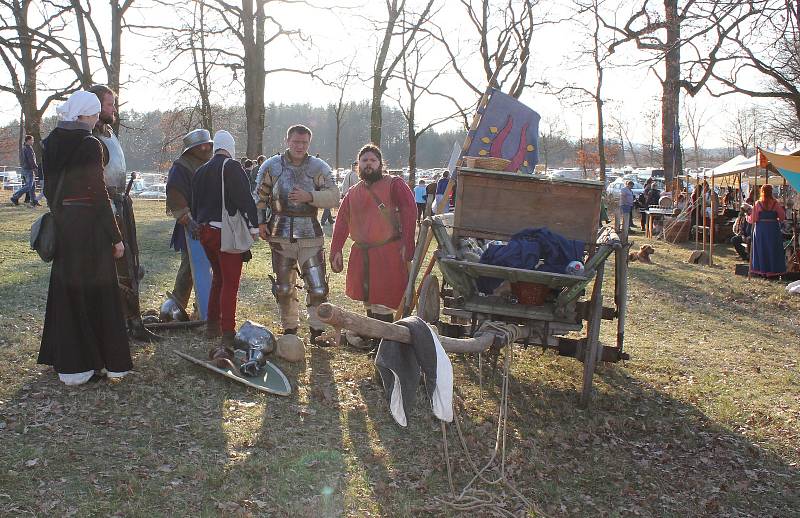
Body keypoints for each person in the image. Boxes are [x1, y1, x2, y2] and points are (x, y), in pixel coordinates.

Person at [37, 90, 132, 385]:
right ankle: (102, 362)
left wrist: (62, 213)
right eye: (92, 115)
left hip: (66, 224)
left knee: (68, 295)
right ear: (84, 114)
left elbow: (49, 187)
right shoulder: (89, 143)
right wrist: (115, 236)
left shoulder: (51, 141)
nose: (94, 120)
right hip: (89, 229)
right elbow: (98, 192)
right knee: (98, 292)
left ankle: (70, 366)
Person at [255, 124, 339, 346]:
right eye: (296, 142)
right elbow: (259, 197)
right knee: (284, 287)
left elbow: (334, 196)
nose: (300, 146)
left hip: (310, 232)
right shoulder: (271, 166)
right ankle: (290, 327)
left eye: (304, 142)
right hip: (280, 232)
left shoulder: (318, 167)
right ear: (287, 141)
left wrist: (309, 196)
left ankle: (317, 330)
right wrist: (261, 222)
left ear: (309, 143)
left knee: (318, 287)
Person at [89, 84, 160, 342]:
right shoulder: (92, 140)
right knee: (117, 267)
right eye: (110, 105)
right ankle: (120, 323)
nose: (114, 109)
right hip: (107, 209)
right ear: (96, 106)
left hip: (121, 204)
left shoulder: (108, 133)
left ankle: (132, 320)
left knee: (130, 264)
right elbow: (95, 183)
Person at [330, 144, 416, 350]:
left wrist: (408, 243)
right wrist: (336, 249)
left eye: (373, 160)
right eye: (364, 160)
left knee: (384, 298)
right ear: (358, 164)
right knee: (368, 298)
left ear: (380, 164)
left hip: (388, 251)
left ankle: (386, 343)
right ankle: (374, 338)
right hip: (362, 252)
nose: (368, 164)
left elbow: (409, 211)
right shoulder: (352, 192)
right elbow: (341, 221)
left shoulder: (394, 184)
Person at [191, 130, 259, 361]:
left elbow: (194, 205)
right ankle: (228, 332)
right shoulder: (231, 167)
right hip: (224, 233)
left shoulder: (200, 170)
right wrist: (254, 227)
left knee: (218, 279)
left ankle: (212, 324)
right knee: (230, 283)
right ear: (230, 147)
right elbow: (244, 198)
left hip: (205, 233)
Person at [165, 129, 214, 311]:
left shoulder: (212, 163)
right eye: (200, 145)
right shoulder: (182, 167)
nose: (205, 147)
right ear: (190, 149)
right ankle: (178, 306)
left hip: (212, 224)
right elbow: (175, 195)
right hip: (191, 224)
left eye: (207, 144)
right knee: (190, 267)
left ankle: (205, 306)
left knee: (212, 267)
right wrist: (187, 220)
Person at [747, 184, 786, 277]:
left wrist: (747, 216)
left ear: (762, 192)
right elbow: (782, 217)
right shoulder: (775, 203)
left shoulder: (758, 203)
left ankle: (763, 270)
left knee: (762, 249)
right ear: (771, 192)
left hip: (761, 229)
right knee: (773, 249)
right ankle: (773, 270)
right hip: (773, 229)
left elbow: (753, 219)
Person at [10, 135, 39, 207]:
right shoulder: (28, 148)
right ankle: (15, 197)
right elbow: (31, 159)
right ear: (28, 140)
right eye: (32, 140)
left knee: (32, 186)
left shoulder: (24, 148)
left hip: (24, 169)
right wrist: (35, 167)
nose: (33, 141)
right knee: (29, 186)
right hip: (29, 169)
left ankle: (34, 201)